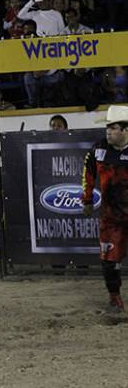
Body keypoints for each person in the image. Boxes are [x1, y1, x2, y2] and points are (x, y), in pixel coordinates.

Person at [82, 105, 128, 312]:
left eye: (113, 127)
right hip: (111, 217)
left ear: (126, 130)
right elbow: (88, 174)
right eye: (107, 127)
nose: (108, 131)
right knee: (109, 261)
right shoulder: (98, 150)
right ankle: (114, 298)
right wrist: (87, 199)